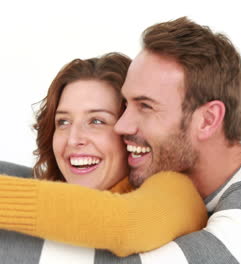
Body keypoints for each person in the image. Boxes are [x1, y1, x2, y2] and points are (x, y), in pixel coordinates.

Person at [2, 17, 241, 263]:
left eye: (144, 107)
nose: (123, 125)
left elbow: (122, 228)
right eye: (62, 121)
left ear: (209, 119)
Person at [0, 53, 207, 262]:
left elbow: (126, 224)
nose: (73, 139)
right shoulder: (45, 189)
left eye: (97, 121)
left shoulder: (176, 187)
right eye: (63, 122)